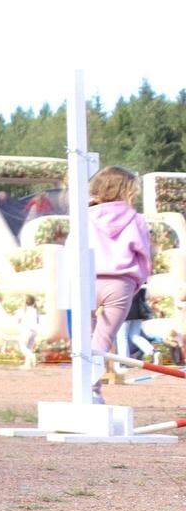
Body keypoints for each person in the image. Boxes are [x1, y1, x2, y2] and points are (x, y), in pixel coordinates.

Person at [87, 166, 152, 403]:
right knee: (103, 338)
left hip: (87, 278)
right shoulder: (136, 219)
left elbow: (73, 247)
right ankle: (93, 390)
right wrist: (137, 281)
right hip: (121, 282)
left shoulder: (85, 216)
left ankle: (82, 389)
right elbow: (144, 255)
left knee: (84, 337)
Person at [16, 294, 41, 369]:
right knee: (29, 347)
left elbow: (18, 320)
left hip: (26, 330)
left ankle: (32, 356)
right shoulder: (35, 311)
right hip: (34, 331)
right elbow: (37, 321)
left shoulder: (22, 310)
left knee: (22, 346)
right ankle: (27, 365)